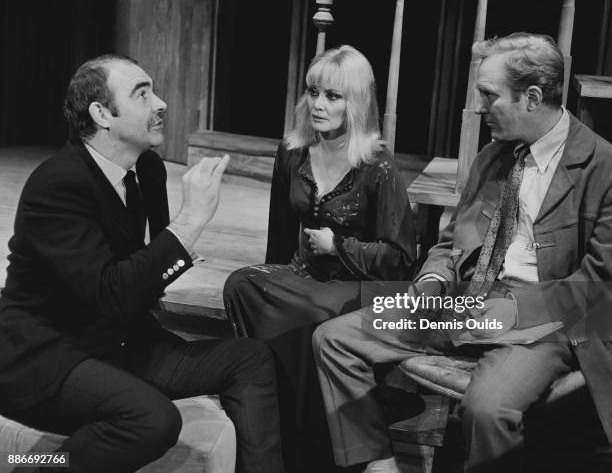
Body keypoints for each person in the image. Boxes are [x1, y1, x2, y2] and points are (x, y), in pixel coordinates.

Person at [313, 32, 612, 473]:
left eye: (489, 95)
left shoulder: (602, 166)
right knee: (334, 339)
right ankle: (378, 465)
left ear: (531, 97)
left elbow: (596, 289)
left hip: (544, 322)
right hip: (464, 302)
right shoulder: (493, 157)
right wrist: (432, 282)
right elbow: (452, 244)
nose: (478, 106)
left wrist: (503, 313)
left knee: (488, 409)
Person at [0, 54, 283, 473]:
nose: (162, 103)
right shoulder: (56, 184)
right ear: (102, 114)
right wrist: (191, 222)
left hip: (121, 342)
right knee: (152, 419)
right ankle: (40, 466)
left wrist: (170, 255)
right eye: (143, 94)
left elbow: (144, 274)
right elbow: (111, 294)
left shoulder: (146, 169)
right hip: (45, 356)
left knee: (251, 359)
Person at [223, 45, 416, 472]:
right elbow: (278, 235)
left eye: (333, 96)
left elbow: (401, 259)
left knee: (309, 315)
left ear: (357, 102)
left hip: (358, 285)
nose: (318, 104)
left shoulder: (377, 166)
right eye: (313, 92)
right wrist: (275, 280)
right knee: (242, 284)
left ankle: (317, 446)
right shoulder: (292, 151)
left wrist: (340, 247)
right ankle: (275, 422)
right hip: (304, 277)